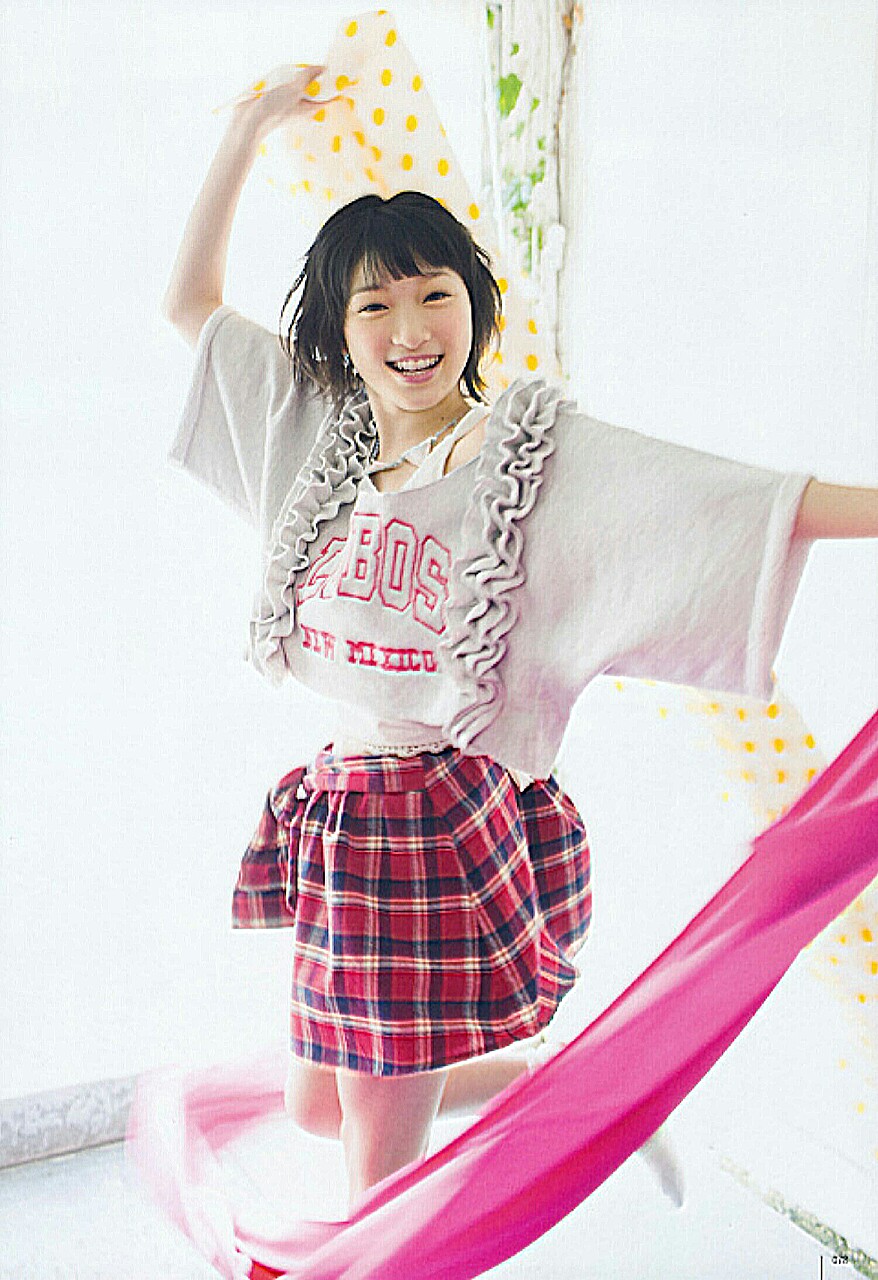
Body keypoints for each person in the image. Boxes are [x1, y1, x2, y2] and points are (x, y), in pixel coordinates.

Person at [163, 66, 878, 1210]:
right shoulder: (312, 430)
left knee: (373, 1171)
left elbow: (734, 503)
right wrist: (250, 125)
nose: (410, 331)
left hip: (428, 828)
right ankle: (561, 1088)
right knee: (317, 1105)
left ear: (474, 304)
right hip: (341, 811)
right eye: (374, 305)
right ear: (338, 330)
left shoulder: (530, 460)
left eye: (433, 294)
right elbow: (189, 304)